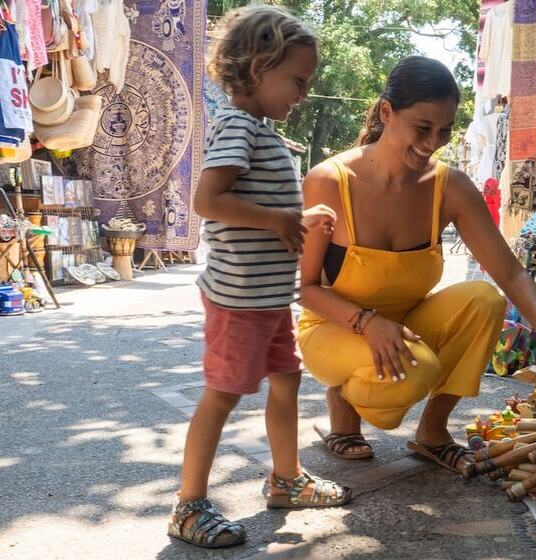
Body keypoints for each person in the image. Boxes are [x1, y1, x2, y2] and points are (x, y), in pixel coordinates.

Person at [298, 56, 536, 474]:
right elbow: (304, 287)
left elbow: (510, 271)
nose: (432, 142)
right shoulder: (329, 180)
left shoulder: (451, 186)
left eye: (444, 130)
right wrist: (367, 324)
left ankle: (432, 432)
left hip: (406, 325)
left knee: (484, 299)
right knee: (416, 372)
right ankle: (343, 402)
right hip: (335, 326)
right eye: (422, 128)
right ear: (387, 112)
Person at [168, 6, 350, 550]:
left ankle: (286, 479)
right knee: (221, 395)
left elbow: (261, 201)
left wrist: (299, 219)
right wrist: (278, 220)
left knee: (287, 382)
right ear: (255, 68)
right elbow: (208, 200)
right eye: (297, 80)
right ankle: (189, 505)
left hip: (268, 300)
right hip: (239, 300)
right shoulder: (236, 127)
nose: (303, 92)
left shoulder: (262, 132)